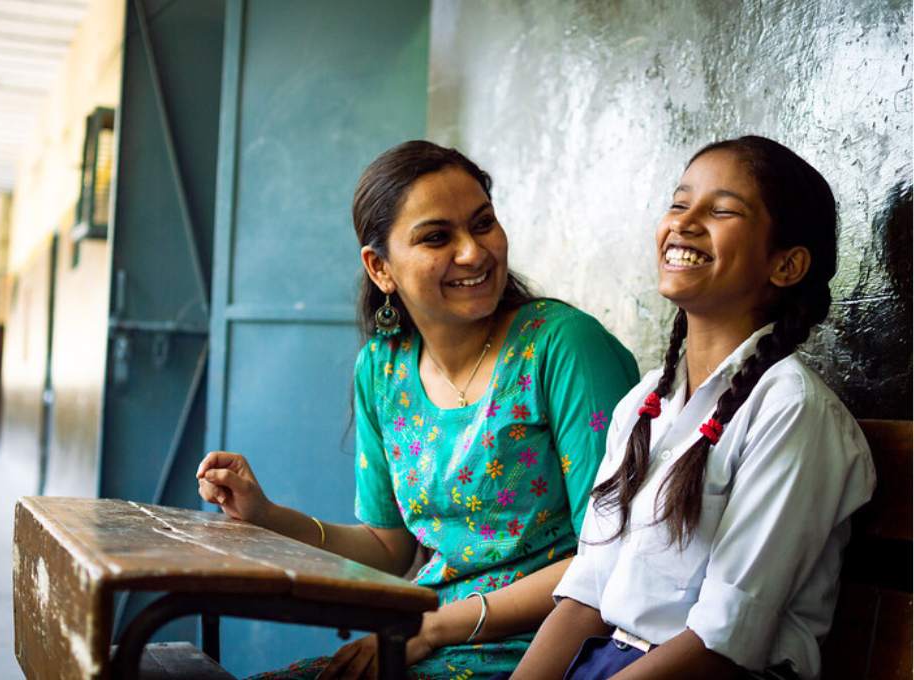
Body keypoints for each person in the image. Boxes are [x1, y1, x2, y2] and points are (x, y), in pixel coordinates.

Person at [196, 140, 639, 679]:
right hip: (417, 641)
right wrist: (266, 516)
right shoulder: (382, 370)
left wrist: (430, 629)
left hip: (540, 651)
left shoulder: (563, 346)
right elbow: (390, 547)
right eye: (437, 237)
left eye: (483, 224)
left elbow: (607, 558)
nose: (474, 252)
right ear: (381, 268)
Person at [504, 136, 876, 680]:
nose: (684, 222)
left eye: (722, 210)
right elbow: (585, 595)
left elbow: (720, 642)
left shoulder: (791, 410)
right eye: (679, 203)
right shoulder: (645, 403)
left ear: (787, 264)